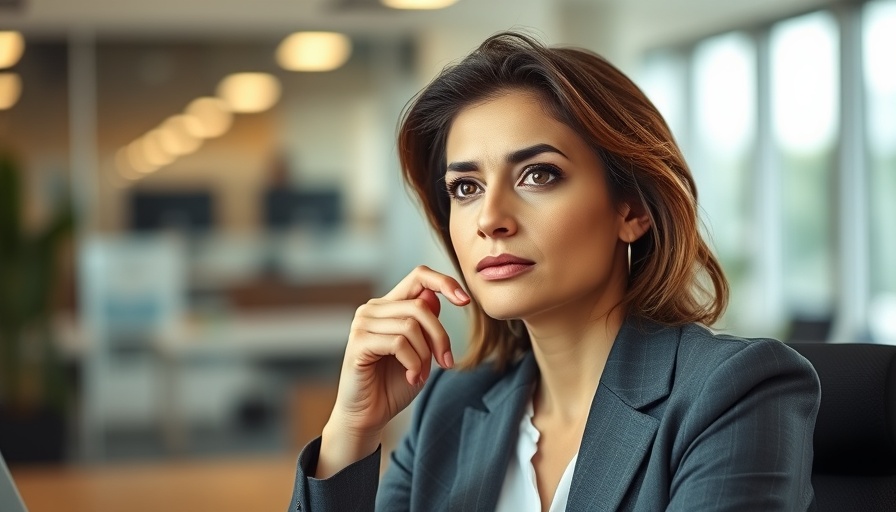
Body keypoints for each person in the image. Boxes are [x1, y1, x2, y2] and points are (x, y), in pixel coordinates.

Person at [288, 31, 821, 512]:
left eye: (538, 175)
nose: (490, 219)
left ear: (631, 209)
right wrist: (350, 432)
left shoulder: (733, 390)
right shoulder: (451, 408)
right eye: (465, 188)